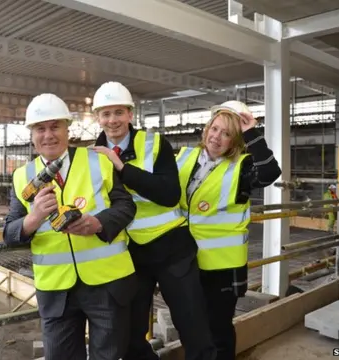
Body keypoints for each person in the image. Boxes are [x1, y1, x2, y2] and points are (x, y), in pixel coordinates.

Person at [3, 93, 138, 360]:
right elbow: (10, 233)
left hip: (107, 285)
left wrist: (98, 223)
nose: (48, 135)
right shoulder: (22, 177)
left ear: (68, 129)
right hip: (56, 292)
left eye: (55, 127)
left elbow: (126, 207)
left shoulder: (98, 161)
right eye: (41, 128)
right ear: (32, 135)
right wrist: (34, 218)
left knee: (109, 356)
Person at [90, 81, 215, 360]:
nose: (113, 121)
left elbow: (170, 195)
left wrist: (121, 166)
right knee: (131, 333)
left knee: (192, 325)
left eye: (118, 112)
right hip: (129, 254)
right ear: (97, 117)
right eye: (106, 114)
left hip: (171, 248)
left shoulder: (154, 143)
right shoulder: (89, 157)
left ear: (130, 114)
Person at [176, 100, 281, 360]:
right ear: (206, 128)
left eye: (226, 134)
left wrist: (251, 132)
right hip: (186, 262)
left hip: (221, 269)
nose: (216, 137)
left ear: (235, 141)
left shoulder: (241, 168)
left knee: (218, 331)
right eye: (215, 129)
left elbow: (270, 171)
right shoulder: (183, 157)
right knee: (191, 329)